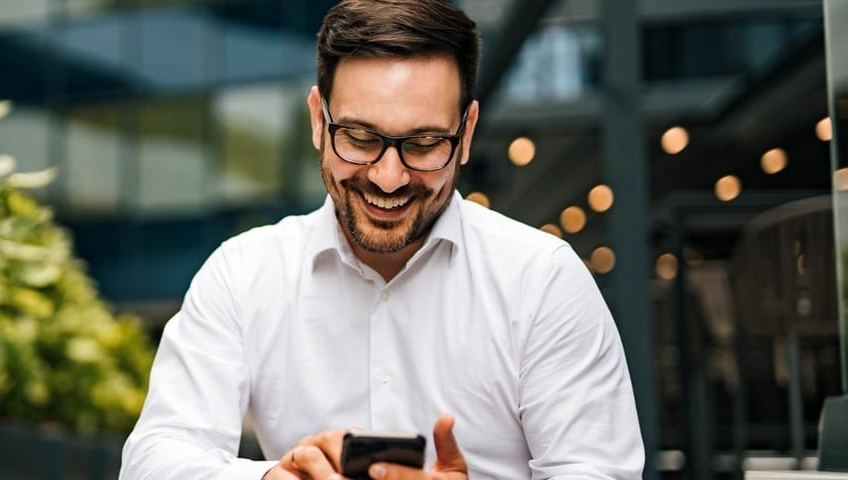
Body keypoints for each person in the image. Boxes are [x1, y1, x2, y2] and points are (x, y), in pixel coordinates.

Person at [119, 0, 644, 478]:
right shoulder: (243, 273)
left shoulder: (542, 280)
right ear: (317, 122)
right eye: (361, 138)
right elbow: (155, 458)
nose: (388, 177)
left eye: (423, 143)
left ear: (466, 133)